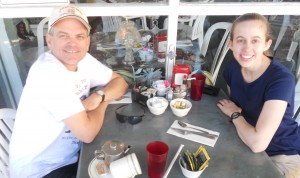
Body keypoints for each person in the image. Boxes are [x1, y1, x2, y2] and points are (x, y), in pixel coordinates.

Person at [9, 5, 128, 178]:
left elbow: (120, 83)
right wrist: (105, 100)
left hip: (70, 157)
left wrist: (99, 95)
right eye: (64, 36)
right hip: (42, 170)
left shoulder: (83, 59)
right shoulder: (48, 73)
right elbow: (87, 134)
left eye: (79, 36)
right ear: (50, 40)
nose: (72, 44)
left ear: (87, 41)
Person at [217, 13, 300, 178]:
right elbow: (237, 104)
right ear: (231, 44)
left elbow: (258, 144)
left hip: (281, 155)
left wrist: (235, 114)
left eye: (255, 40)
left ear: (266, 44)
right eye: (240, 40)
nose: (247, 48)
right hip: (243, 142)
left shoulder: (281, 79)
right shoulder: (233, 67)